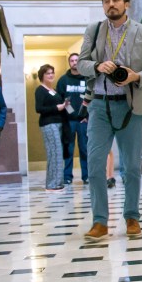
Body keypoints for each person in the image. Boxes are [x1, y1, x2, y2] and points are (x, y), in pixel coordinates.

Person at [78, 0, 142, 241]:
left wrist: (136, 76)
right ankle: (100, 221)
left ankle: (132, 217)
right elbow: (81, 64)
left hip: (130, 106)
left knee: (132, 167)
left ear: (126, 4)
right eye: (106, 1)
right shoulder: (93, 30)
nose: (110, 5)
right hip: (99, 106)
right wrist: (97, 65)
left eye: (115, 0)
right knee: (94, 166)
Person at [56, 52, 91, 185]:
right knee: (68, 149)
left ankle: (86, 176)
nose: (74, 62)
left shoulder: (87, 79)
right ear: (69, 63)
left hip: (84, 121)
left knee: (84, 149)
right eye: (72, 60)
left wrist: (85, 116)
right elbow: (60, 99)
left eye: (77, 60)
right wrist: (71, 113)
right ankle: (67, 176)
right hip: (69, 121)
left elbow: (91, 99)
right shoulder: (63, 80)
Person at [33, 64, 65, 192]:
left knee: (58, 152)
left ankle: (58, 182)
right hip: (48, 123)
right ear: (42, 76)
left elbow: (63, 105)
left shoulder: (54, 90)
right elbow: (39, 108)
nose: (51, 75)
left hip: (58, 122)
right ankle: (52, 184)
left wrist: (68, 108)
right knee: (54, 152)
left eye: (52, 72)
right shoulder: (40, 90)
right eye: (48, 73)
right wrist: (56, 108)